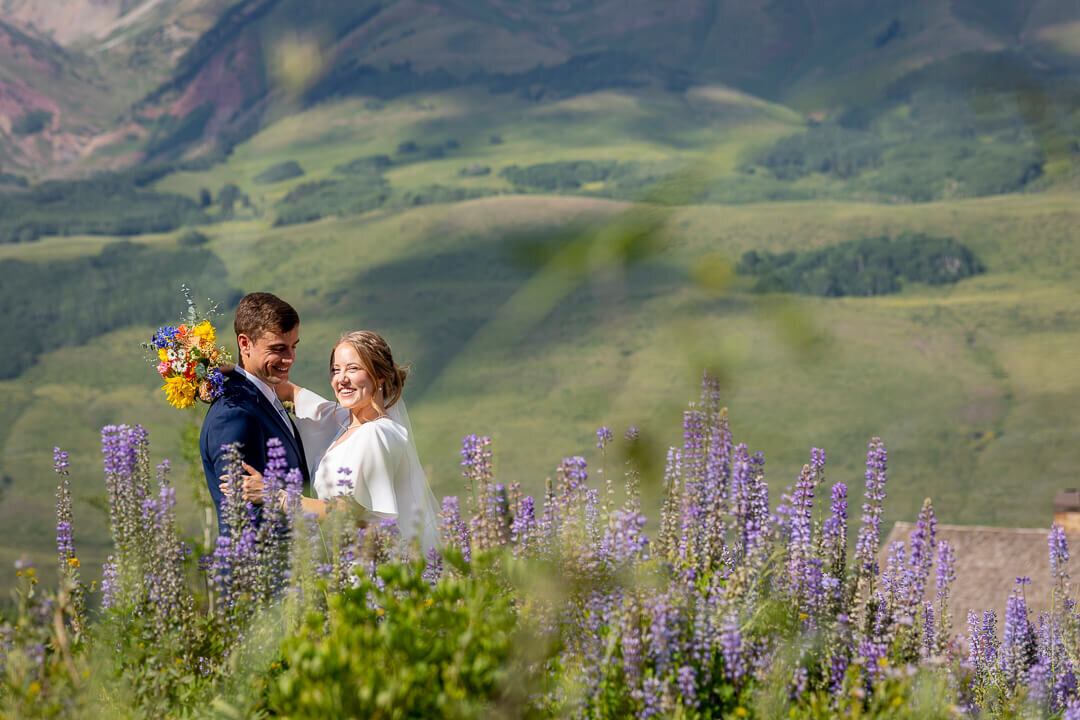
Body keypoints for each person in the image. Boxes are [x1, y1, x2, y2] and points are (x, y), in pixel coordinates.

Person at [224, 330, 440, 552]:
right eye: (336, 370)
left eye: (353, 368)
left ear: (380, 374)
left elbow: (344, 512)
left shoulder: (377, 434)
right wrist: (223, 369)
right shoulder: (342, 419)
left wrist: (274, 495)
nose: (341, 379)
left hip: (366, 565)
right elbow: (288, 391)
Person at [200, 292, 310, 534]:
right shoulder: (234, 414)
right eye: (278, 349)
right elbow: (242, 517)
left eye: (293, 347)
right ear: (244, 344)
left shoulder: (261, 394)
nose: (289, 359)